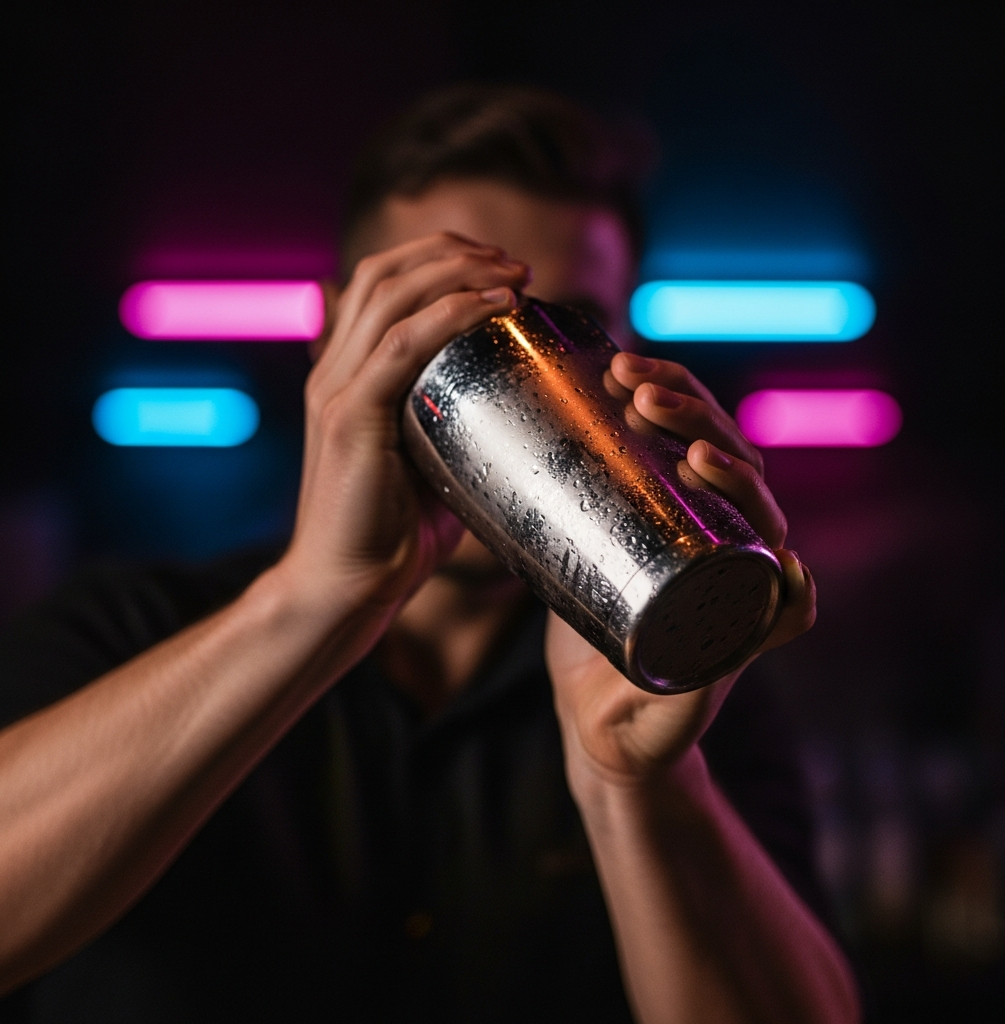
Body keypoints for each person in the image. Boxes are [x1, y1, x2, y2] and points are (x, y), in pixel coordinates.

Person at [0, 85, 859, 1023]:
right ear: (340, 335)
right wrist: (316, 602)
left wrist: (638, 788)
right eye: (453, 314)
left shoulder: (678, 690)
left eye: (567, 329)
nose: (528, 380)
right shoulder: (124, 629)